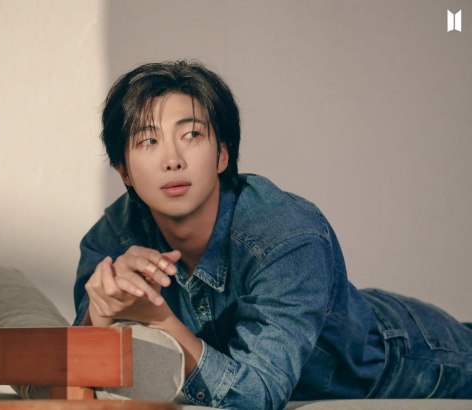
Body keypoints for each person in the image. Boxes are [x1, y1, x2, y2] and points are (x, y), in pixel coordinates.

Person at [72, 60, 472, 409]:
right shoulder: (112, 241)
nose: (172, 160)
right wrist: (101, 312)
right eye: (148, 140)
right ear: (124, 171)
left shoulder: (287, 234)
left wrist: (160, 320)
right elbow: (70, 375)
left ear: (222, 154)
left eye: (191, 135)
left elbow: (258, 394)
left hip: (409, 352)